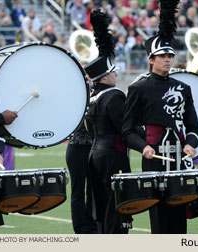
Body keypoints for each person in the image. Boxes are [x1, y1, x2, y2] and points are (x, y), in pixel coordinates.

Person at [122, 0, 198, 234]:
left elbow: (193, 126)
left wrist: (191, 144)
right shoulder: (139, 88)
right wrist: (143, 146)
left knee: (180, 214)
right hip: (153, 156)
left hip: (179, 158)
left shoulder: (184, 88)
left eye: (170, 55)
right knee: (159, 215)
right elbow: (127, 129)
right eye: (162, 56)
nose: (167, 59)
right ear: (151, 59)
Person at [84, 10, 131, 234]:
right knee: (117, 204)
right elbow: (124, 126)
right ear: (104, 76)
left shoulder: (91, 98)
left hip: (95, 153)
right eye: (112, 71)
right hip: (114, 154)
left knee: (100, 203)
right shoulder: (114, 96)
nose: (116, 74)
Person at [65, 62, 97, 234]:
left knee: (93, 190)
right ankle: (80, 227)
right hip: (77, 147)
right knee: (78, 190)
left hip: (94, 147)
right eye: (85, 76)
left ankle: (92, 224)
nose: (88, 79)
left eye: (89, 76)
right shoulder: (73, 97)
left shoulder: (97, 95)